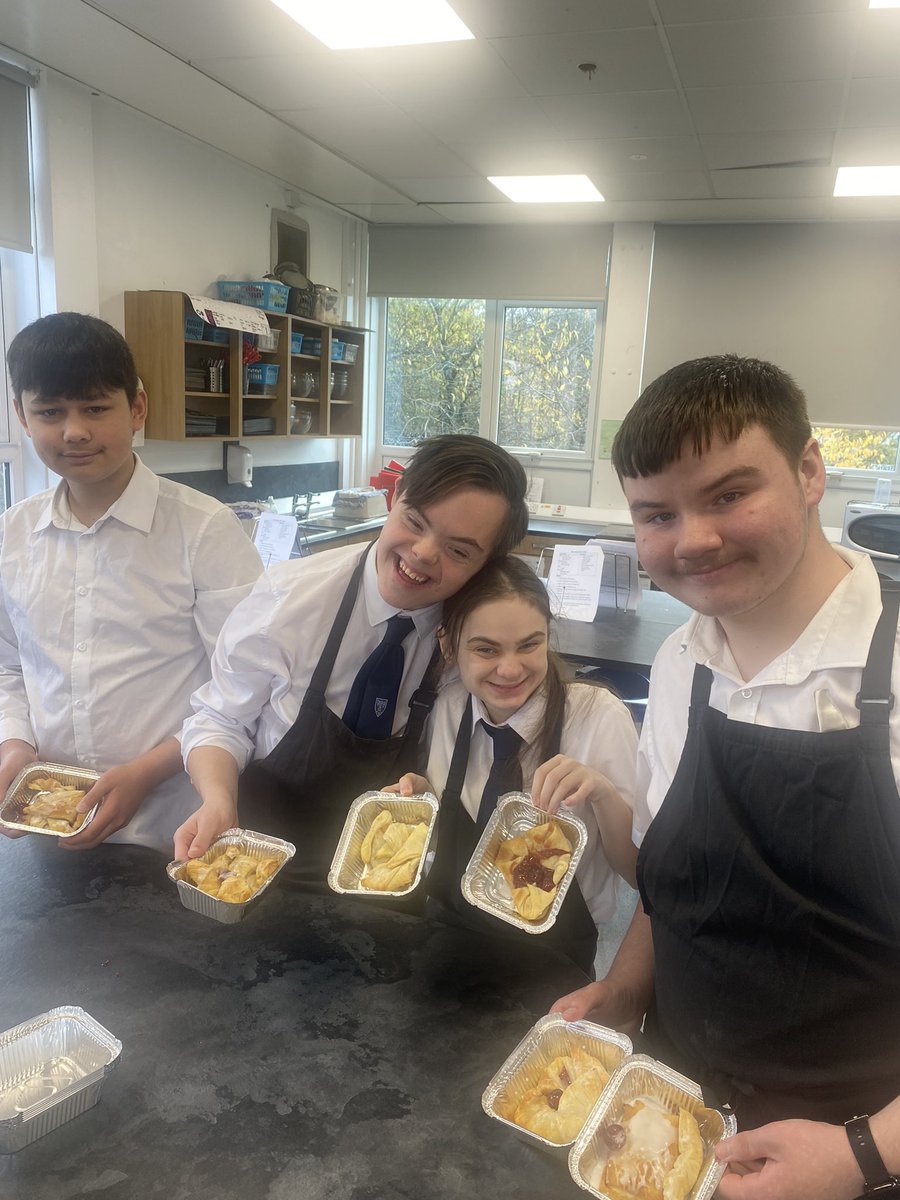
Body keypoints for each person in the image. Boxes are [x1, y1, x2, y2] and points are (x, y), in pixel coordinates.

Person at [550, 354, 900, 1200]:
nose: (693, 538)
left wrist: (862, 1156)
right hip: (677, 1120)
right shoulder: (681, 664)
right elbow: (679, 882)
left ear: (811, 471)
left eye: (730, 494)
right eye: (656, 513)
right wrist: (627, 987)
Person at [175, 435, 530, 880]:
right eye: (415, 521)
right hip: (259, 865)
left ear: (487, 564)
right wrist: (217, 801)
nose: (422, 553)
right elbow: (220, 720)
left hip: (386, 883)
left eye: (458, 551)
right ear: (395, 495)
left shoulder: (475, 641)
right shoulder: (289, 600)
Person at [0, 312, 263, 853]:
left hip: (176, 829)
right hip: (47, 825)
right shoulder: (12, 535)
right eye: (49, 412)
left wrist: (145, 770)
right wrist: (14, 746)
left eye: (96, 408)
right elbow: (9, 667)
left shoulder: (204, 529)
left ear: (137, 407)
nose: (74, 431)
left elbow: (245, 687)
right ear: (22, 419)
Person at [386, 554, 638, 974]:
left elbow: (635, 872)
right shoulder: (448, 707)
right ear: (448, 645)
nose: (509, 669)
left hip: (555, 960)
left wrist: (603, 794)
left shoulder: (598, 717)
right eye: (486, 649)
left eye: (529, 645)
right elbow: (457, 814)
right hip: (447, 940)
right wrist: (422, 796)